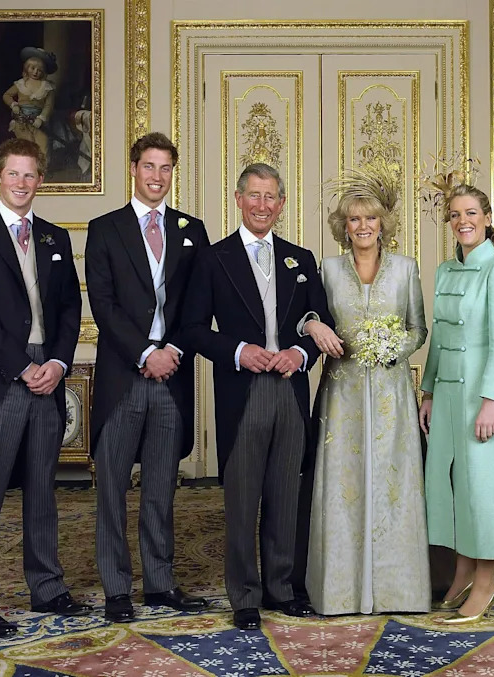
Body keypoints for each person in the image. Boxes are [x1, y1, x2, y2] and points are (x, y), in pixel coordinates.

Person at [183, 163, 334, 631]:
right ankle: (245, 595)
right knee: (243, 498)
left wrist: (299, 353)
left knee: (286, 495)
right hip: (242, 391)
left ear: (282, 204)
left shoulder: (301, 259)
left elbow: (321, 322)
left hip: (289, 390)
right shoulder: (213, 258)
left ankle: (282, 589)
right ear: (237, 198)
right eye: (254, 196)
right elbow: (191, 329)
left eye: (271, 198)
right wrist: (237, 350)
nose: (262, 206)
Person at [0, 137, 90, 639]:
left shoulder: (54, 238)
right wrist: (20, 366)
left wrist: (56, 361)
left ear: (40, 181)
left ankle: (47, 587)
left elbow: (71, 308)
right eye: (14, 174)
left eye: (30, 175)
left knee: (42, 491)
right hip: (1, 376)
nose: (22, 183)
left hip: (48, 374)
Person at [86, 132, 210, 623]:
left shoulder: (191, 229)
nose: (157, 177)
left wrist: (172, 350)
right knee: (111, 489)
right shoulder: (105, 228)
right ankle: (117, 588)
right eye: (149, 166)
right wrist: (144, 354)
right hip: (124, 375)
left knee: (161, 489)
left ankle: (160, 585)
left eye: (165, 169)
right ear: (133, 168)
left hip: (172, 376)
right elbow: (104, 305)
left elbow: (197, 303)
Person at [302, 169, 430, 615]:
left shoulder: (406, 268)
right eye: (354, 220)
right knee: (344, 485)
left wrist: (397, 346)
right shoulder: (329, 269)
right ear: (344, 226)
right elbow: (308, 315)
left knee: (394, 486)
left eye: (370, 220)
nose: (362, 227)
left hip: (393, 395)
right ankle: (340, 591)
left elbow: (419, 329)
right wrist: (313, 325)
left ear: (382, 224)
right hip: (343, 395)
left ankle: (399, 591)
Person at [418, 184, 494, 625]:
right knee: (450, 486)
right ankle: (463, 569)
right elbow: (439, 337)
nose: (462, 220)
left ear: (488, 217)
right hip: (447, 396)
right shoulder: (445, 270)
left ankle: (486, 580)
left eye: (471, 212)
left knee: (483, 490)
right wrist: (428, 391)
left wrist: (492, 401)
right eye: (454, 214)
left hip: (482, 396)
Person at [2, 47, 57, 166]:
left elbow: (48, 105)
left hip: (38, 122)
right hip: (21, 121)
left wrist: (41, 118)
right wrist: (13, 105)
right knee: (28, 145)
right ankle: (27, 169)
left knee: (44, 143)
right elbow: (7, 95)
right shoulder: (21, 83)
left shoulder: (48, 87)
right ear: (27, 68)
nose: (36, 72)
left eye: (40, 70)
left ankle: (41, 170)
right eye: (33, 68)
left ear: (44, 72)